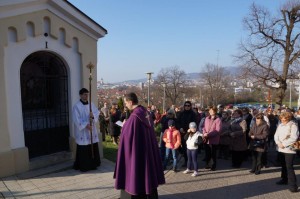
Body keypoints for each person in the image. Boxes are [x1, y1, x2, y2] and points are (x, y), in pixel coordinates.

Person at [114, 92, 165, 198]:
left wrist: (124, 126)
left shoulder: (134, 118)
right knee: (146, 172)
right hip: (146, 151)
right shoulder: (145, 112)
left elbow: (127, 138)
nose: (125, 105)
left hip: (137, 154)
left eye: (125, 103)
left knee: (137, 172)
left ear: (131, 102)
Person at [72, 88, 101, 172]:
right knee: (84, 147)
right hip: (83, 131)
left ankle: (93, 164)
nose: (86, 96)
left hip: (91, 129)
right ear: (80, 95)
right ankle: (84, 166)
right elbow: (76, 119)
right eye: (85, 94)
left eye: (87, 94)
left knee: (92, 145)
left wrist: (93, 116)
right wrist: (86, 125)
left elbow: (96, 113)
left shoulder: (91, 104)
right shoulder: (76, 106)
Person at [274, 111, 299, 193]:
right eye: (281, 119)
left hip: (289, 150)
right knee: (283, 165)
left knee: (289, 167)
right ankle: (284, 179)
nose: (282, 121)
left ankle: (293, 185)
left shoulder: (293, 125)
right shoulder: (280, 125)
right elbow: (276, 135)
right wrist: (278, 143)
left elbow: (294, 137)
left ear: (288, 118)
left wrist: (284, 144)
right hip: (280, 148)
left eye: (284, 119)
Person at [177, 101, 197, 167]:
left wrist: (191, 130)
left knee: (191, 148)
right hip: (183, 133)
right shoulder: (181, 114)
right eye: (186, 105)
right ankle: (186, 161)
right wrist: (180, 128)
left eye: (188, 105)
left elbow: (195, 123)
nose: (187, 107)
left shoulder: (193, 114)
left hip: (190, 133)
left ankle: (192, 162)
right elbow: (178, 122)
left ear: (190, 106)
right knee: (184, 148)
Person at [202, 106, 222, 171]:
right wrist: (204, 133)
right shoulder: (207, 118)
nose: (210, 112)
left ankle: (213, 165)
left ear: (215, 111)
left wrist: (209, 134)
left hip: (214, 139)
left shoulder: (218, 119)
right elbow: (204, 127)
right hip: (206, 138)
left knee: (213, 153)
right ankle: (207, 164)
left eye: (212, 111)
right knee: (207, 153)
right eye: (210, 111)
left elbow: (217, 130)